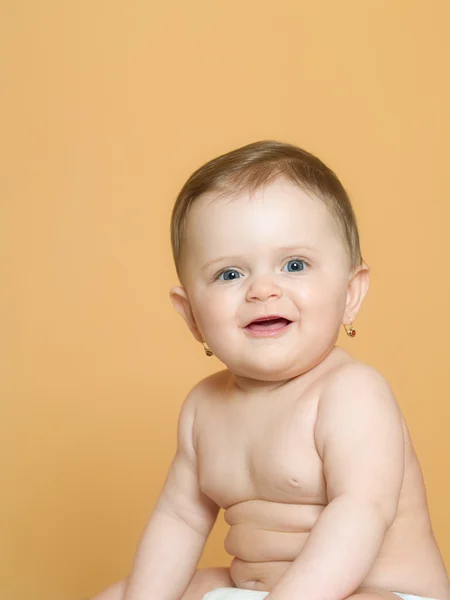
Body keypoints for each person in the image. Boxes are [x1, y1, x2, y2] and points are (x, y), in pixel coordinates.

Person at [92, 141, 450, 600]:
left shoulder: (351, 393)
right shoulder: (204, 407)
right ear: (192, 317)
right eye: (229, 274)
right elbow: (178, 518)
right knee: (117, 596)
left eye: (294, 265)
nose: (263, 289)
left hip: (378, 590)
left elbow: (360, 513)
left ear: (352, 293)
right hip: (259, 590)